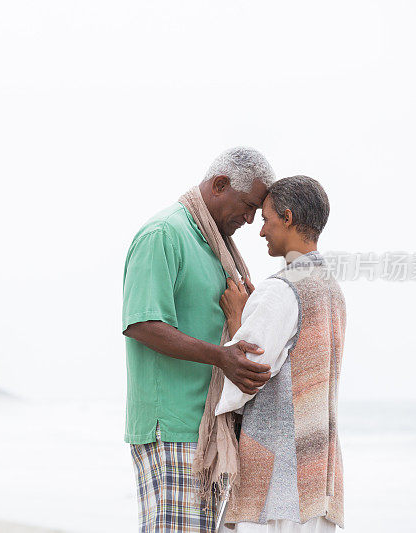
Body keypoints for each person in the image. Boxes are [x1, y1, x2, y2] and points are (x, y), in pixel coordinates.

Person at [122, 147, 276, 532]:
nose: (250, 220)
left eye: (258, 212)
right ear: (220, 185)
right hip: (172, 426)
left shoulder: (215, 245)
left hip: (209, 430)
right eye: (247, 206)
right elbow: (141, 324)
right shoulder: (164, 234)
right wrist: (222, 357)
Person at [211, 175, 346, 532]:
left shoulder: (281, 290)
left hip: (275, 480)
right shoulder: (332, 290)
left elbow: (246, 371)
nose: (260, 231)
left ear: (287, 218)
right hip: (319, 478)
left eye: (267, 219)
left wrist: (238, 317)